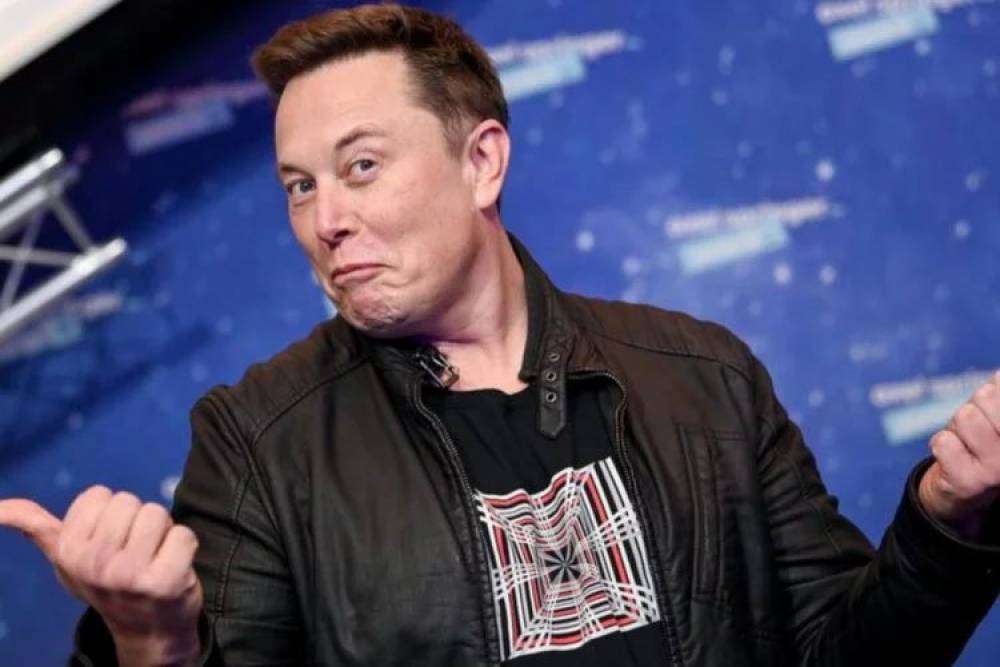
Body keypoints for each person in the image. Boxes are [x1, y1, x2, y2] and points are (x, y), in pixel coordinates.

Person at [2, 4, 999, 666]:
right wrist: (153, 641)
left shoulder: (704, 373)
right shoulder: (259, 440)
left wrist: (945, 522)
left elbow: (842, 652)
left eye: (359, 166)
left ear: (480, 162)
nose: (324, 219)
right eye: (299, 185)